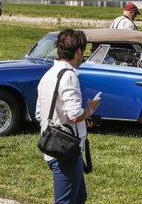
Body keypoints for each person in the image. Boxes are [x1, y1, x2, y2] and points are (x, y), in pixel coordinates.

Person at [36, 29, 101, 204]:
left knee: (79, 197)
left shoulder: (48, 75)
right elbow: (75, 115)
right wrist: (90, 109)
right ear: (78, 51)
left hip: (54, 146)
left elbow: (39, 114)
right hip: (65, 150)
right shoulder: (69, 76)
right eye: (83, 51)